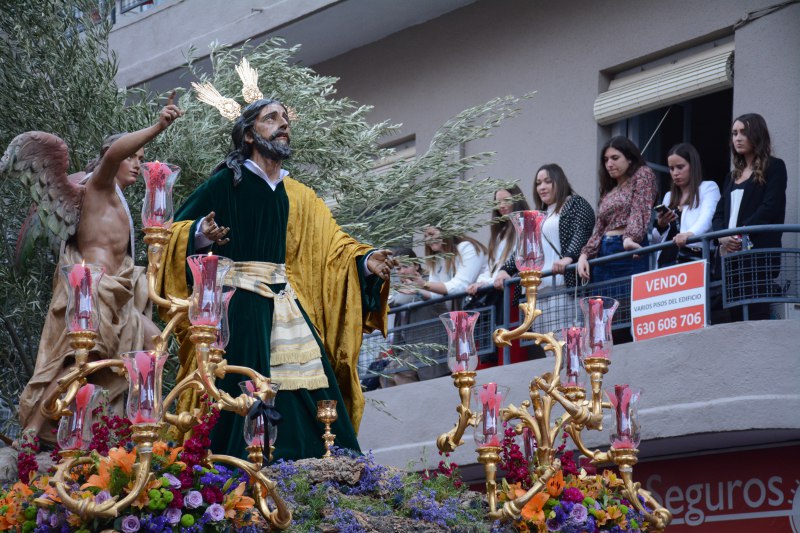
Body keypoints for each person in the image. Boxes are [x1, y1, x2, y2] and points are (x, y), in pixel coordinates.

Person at [157, 98, 395, 461]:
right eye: (272, 119)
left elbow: (333, 248)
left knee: (315, 382)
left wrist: (365, 262)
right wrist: (201, 234)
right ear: (250, 134)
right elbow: (171, 234)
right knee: (235, 386)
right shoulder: (225, 183)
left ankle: (330, 467)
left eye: (286, 118)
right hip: (238, 304)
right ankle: (230, 469)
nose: (283, 124)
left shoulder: (299, 195)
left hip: (286, 300)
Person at [15, 102, 182, 444]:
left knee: (154, 343)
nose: (138, 163)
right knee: (75, 361)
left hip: (117, 292)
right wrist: (156, 127)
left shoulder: (119, 199)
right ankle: (31, 433)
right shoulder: (98, 186)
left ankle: (134, 429)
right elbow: (114, 153)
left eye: (141, 156)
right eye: (134, 156)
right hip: (93, 288)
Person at [497, 164, 595, 333]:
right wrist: (504, 269)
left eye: (547, 182)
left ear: (559, 181)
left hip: (564, 285)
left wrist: (569, 257)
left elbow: (582, 230)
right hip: (537, 289)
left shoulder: (575, 203)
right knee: (547, 345)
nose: (542, 187)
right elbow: (523, 248)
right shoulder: (537, 214)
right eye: (538, 183)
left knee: (565, 339)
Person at [712, 113, 787, 321]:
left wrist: (740, 234)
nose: (737, 138)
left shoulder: (775, 167)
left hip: (758, 255)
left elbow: (769, 207)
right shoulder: (732, 176)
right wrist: (722, 236)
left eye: (744, 132)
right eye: (734, 133)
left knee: (756, 316)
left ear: (757, 135)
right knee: (736, 317)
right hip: (732, 258)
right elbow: (718, 214)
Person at [577, 136, 657, 285]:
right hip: (603, 252)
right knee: (601, 305)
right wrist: (584, 255)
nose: (609, 164)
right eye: (606, 160)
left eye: (615, 158)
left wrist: (630, 238)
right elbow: (599, 228)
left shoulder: (643, 174)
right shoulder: (609, 191)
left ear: (630, 159)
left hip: (627, 250)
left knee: (628, 303)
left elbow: (639, 210)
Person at [380, 247, 448, 386]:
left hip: (432, 347)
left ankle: (418, 403)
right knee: (386, 376)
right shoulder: (400, 290)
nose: (402, 272)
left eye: (405, 266)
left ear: (416, 265)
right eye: (398, 269)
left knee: (399, 373)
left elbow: (399, 300)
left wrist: (393, 296)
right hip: (412, 348)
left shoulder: (428, 283)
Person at [652, 143, 721, 267]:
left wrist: (688, 234)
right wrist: (661, 225)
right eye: (671, 168)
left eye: (680, 167)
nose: (675, 173)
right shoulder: (669, 196)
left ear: (693, 166)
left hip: (693, 258)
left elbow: (707, 218)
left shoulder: (708, 188)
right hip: (665, 261)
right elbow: (657, 240)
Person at [466, 185, 530, 307]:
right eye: (498, 202)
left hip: (513, 295)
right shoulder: (500, 234)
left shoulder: (524, 227)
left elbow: (515, 266)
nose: (501, 206)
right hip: (498, 293)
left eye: (506, 200)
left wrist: (485, 283)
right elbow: (491, 268)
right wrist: (481, 282)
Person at [412, 226, 487, 302]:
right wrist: (417, 289)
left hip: (482, 306)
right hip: (459, 310)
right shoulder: (438, 259)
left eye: (431, 234)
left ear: (445, 231)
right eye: (425, 236)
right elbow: (436, 294)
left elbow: (460, 286)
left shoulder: (467, 248)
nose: (428, 240)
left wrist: (424, 284)